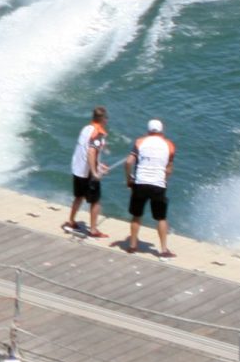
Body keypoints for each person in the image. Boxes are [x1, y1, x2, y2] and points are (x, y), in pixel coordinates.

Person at [121, 118, 176, 259]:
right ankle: (163, 250)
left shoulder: (140, 142)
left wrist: (129, 179)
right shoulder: (169, 145)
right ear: (162, 131)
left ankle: (132, 246)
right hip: (158, 184)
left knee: (136, 215)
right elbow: (169, 169)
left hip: (140, 183)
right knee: (161, 218)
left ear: (148, 130)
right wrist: (164, 181)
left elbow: (128, 162)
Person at [65, 106, 113, 238]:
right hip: (87, 173)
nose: (107, 120)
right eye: (106, 118)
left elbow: (86, 151)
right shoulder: (98, 133)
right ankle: (93, 230)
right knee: (95, 201)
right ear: (102, 119)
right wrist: (95, 172)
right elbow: (91, 152)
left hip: (77, 169)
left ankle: (71, 221)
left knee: (79, 197)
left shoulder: (86, 129)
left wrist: (100, 165)